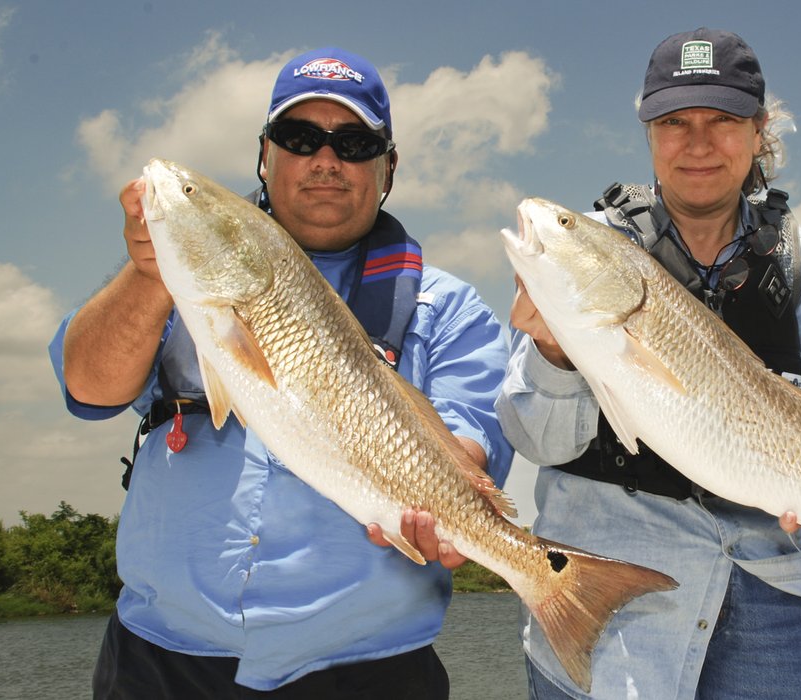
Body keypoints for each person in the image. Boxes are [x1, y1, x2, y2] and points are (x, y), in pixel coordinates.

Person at [49, 47, 512, 698]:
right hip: (159, 664)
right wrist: (154, 270)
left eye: (353, 142)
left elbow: (472, 446)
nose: (326, 161)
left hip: (370, 673)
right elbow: (87, 387)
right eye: (300, 138)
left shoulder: (451, 308)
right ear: (264, 155)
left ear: (389, 167)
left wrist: (435, 504)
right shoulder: (173, 278)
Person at [496, 28, 801, 699]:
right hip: (611, 587)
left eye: (722, 120)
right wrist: (553, 353)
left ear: (759, 133)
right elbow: (537, 440)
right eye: (673, 122)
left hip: (776, 591)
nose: (697, 143)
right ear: (648, 135)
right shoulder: (584, 250)